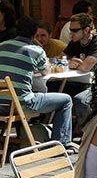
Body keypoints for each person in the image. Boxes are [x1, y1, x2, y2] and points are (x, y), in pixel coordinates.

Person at [0, 16, 73, 149]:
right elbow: (46, 72)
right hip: (21, 104)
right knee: (66, 100)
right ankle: (62, 144)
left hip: (1, 104)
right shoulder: (36, 50)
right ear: (34, 34)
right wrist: (38, 48)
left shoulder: (2, 46)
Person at [64, 13, 97, 125]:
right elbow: (58, 60)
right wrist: (68, 62)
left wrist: (70, 63)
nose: (71, 33)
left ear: (86, 30)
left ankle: (87, 132)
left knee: (80, 100)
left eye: (75, 30)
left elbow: (85, 67)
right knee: (55, 89)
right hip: (83, 82)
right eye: (70, 30)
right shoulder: (74, 42)